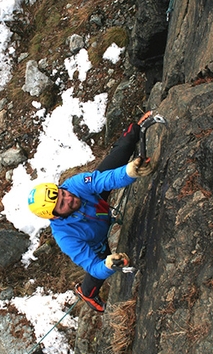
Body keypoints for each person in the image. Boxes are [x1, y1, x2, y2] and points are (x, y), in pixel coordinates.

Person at [27, 112, 161, 313]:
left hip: (96, 202)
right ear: (54, 216)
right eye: (62, 203)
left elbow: (104, 181)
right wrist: (107, 265)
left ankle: (135, 131)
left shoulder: (74, 186)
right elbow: (91, 265)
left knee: (115, 160)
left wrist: (129, 172)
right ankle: (87, 292)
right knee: (101, 267)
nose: (69, 198)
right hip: (98, 242)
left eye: (62, 193)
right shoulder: (65, 237)